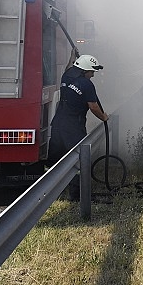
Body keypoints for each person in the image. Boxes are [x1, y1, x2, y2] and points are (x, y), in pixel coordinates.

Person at [48, 54, 109, 201]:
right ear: (84, 71)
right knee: (79, 160)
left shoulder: (67, 76)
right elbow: (93, 106)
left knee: (55, 159)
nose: (93, 75)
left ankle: (50, 192)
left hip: (57, 124)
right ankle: (77, 195)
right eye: (91, 72)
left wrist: (72, 56)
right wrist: (104, 117)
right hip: (73, 127)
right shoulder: (86, 84)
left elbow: (70, 67)